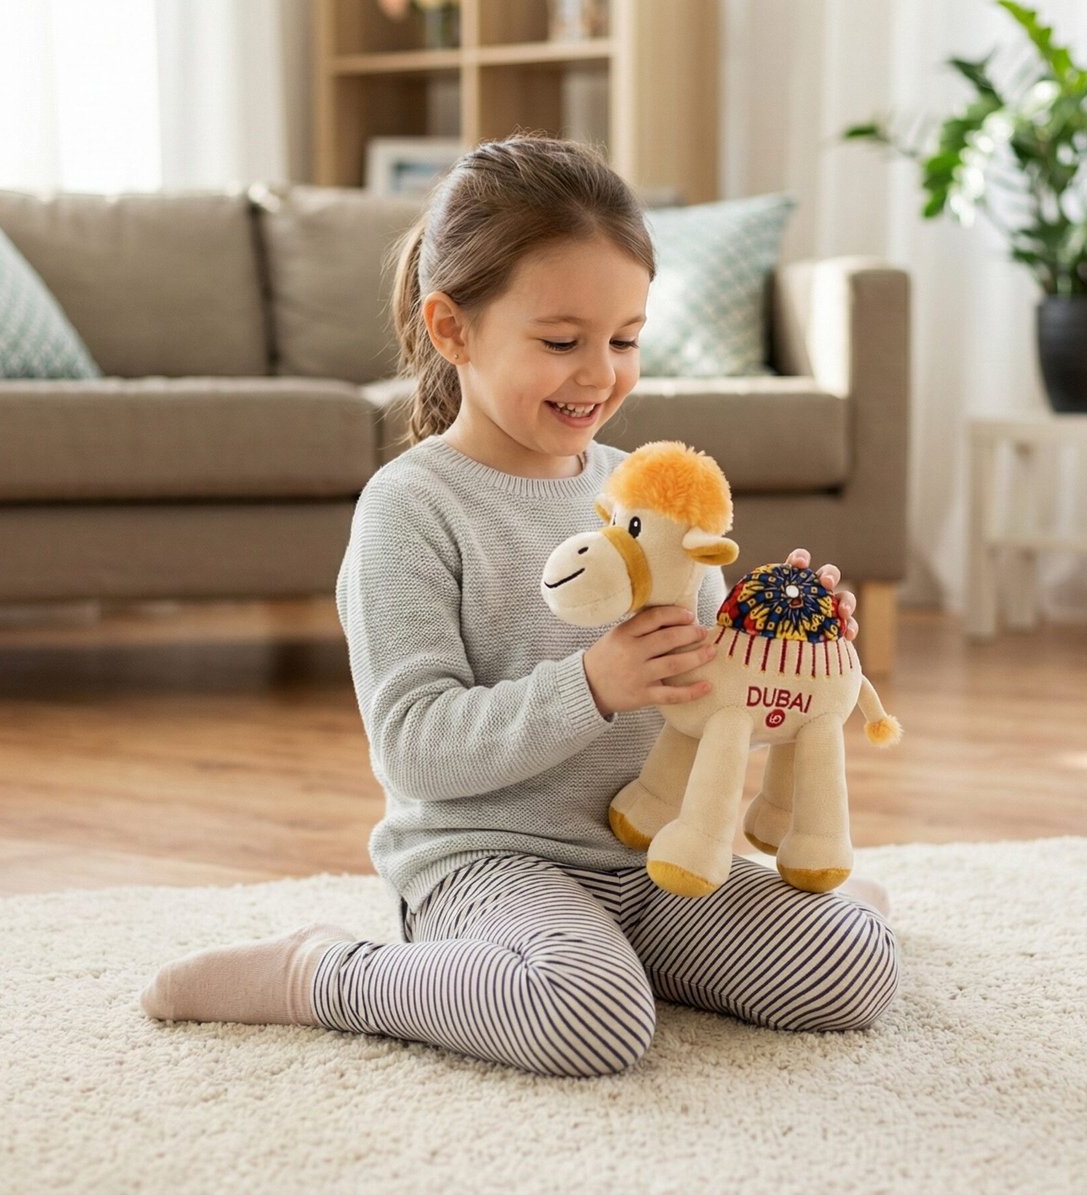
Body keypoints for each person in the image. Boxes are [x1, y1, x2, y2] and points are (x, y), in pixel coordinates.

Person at [140, 134, 899, 1078]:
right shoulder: (412, 508)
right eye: (562, 342)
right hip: (485, 862)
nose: (601, 374)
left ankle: (652, 948)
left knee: (852, 970)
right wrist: (593, 684)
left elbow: (707, 707)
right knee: (589, 1018)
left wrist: (786, 648)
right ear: (452, 329)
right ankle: (322, 971)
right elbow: (414, 746)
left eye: (625, 339)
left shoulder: (649, 490)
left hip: (650, 857)